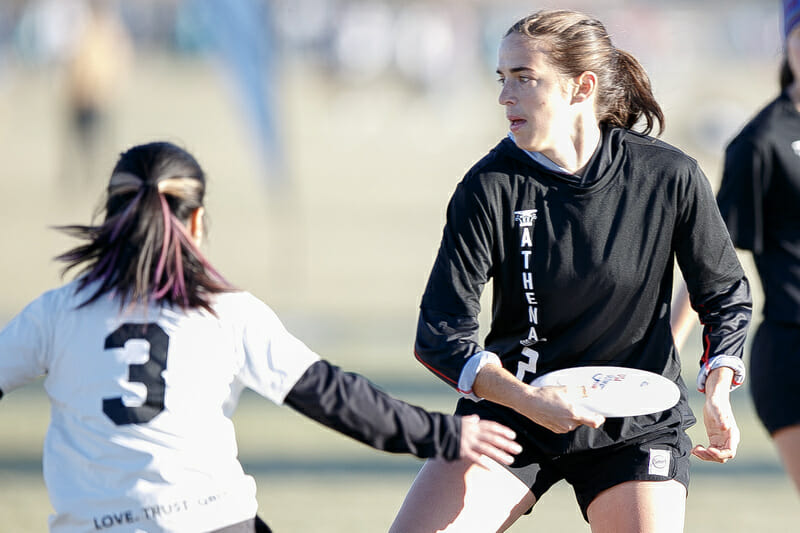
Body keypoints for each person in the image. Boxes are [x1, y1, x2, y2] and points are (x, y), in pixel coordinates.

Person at [0, 141, 522, 533]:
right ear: (198, 221)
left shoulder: (56, 314)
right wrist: (444, 434)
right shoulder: (226, 314)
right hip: (211, 522)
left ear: (111, 219)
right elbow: (333, 397)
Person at [388, 9, 752, 533]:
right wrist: (528, 400)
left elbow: (724, 293)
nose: (504, 96)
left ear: (581, 87)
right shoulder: (489, 187)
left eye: (524, 78)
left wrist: (718, 383)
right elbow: (441, 333)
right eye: (502, 78)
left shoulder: (668, 175)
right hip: (515, 407)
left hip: (636, 424)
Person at [675, 0, 800, 497]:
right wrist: (669, 340)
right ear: (787, 42)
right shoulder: (760, 143)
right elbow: (712, 261)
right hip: (793, 353)